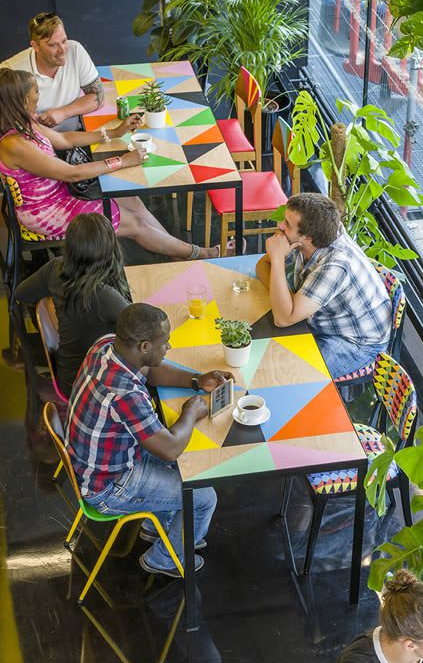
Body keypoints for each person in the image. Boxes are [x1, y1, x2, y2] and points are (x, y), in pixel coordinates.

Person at [68, 303, 230, 577]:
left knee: (191, 466)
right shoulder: (125, 393)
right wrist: (190, 412)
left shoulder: (106, 346)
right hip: (107, 487)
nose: (168, 348)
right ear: (144, 346)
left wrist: (197, 380)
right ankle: (166, 559)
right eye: (164, 344)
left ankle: (157, 527)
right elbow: (170, 449)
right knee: (202, 497)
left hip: (105, 459)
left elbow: (152, 371)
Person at [0, 69, 220, 261]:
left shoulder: (25, 123)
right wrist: (121, 161)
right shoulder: (14, 144)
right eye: (36, 95)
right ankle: (198, 254)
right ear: (21, 100)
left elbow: (66, 139)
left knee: (131, 198)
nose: (39, 99)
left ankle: (174, 251)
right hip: (45, 213)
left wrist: (113, 132)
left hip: (61, 194)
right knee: (135, 223)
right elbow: (72, 174)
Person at [255, 192, 391, 377]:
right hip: (323, 321)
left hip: (355, 341)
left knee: (287, 376)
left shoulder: (336, 266)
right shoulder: (312, 237)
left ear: (308, 238)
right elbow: (262, 266)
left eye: (287, 224)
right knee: (258, 344)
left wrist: (278, 259)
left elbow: (283, 319)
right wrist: (286, 300)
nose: (280, 226)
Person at [16, 213, 132, 395]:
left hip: (68, 376)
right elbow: (143, 328)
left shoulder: (55, 269)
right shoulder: (105, 296)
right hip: (93, 386)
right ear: (111, 248)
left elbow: (22, 293)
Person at [0, 12, 103, 131]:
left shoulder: (75, 50)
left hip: (72, 138)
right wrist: (19, 114)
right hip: (33, 144)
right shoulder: (14, 68)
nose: (62, 50)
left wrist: (63, 113)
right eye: (53, 45)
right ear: (35, 46)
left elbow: (98, 96)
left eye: (64, 41)